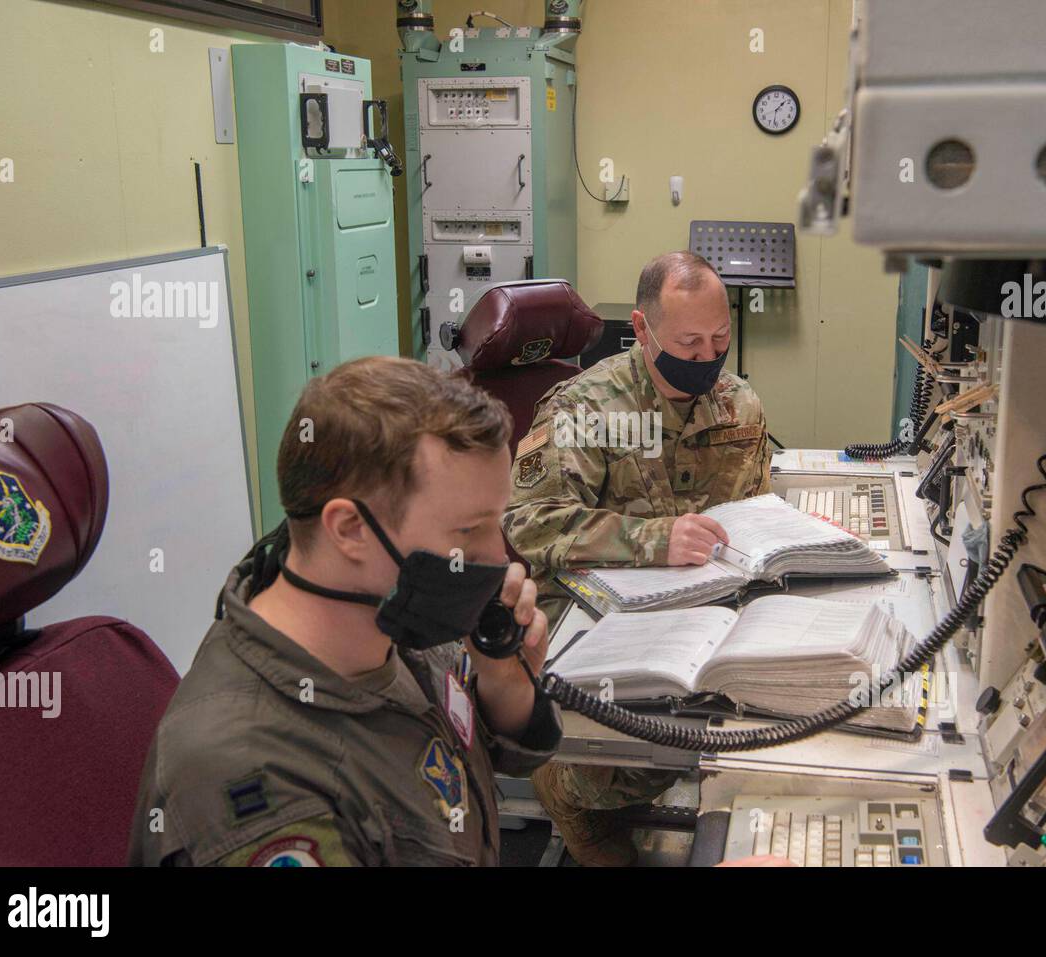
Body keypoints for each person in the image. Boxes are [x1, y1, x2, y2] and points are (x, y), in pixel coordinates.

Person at [128, 356, 560, 866]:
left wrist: (505, 682)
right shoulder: (248, 772)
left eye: (497, 522)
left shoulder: (397, 616)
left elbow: (467, 764)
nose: (499, 556)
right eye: (469, 531)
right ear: (351, 530)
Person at [502, 250, 772, 866]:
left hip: (699, 612)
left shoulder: (740, 407)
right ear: (643, 330)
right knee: (606, 772)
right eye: (688, 342)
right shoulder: (582, 410)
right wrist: (653, 539)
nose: (706, 358)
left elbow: (754, 514)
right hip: (593, 616)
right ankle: (567, 791)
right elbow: (529, 524)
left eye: (718, 340)